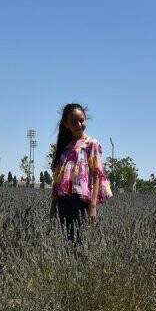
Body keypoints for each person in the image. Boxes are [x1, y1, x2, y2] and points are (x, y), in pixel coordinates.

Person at [49, 103, 112, 240]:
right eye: (73, 122)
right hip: (63, 199)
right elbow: (57, 179)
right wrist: (53, 207)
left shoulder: (91, 144)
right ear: (66, 124)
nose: (78, 124)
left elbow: (97, 175)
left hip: (81, 198)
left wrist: (93, 206)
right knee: (68, 240)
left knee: (79, 240)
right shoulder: (64, 147)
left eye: (81, 120)